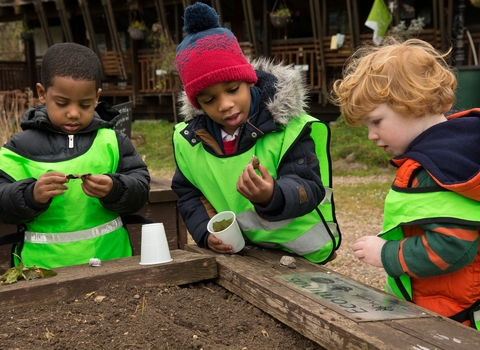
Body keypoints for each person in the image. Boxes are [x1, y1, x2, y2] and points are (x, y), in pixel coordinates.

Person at [171, 2, 340, 264]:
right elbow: (189, 194)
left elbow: (309, 188)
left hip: (303, 254)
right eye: (208, 100)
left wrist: (272, 195)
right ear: (197, 104)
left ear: (249, 79)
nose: (224, 105)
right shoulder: (190, 142)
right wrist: (205, 234)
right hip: (246, 255)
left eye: (232, 89)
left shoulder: (288, 128)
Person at [330, 36, 480, 330]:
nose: (371, 135)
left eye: (376, 122)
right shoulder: (462, 146)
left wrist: (386, 253)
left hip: (455, 317)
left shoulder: (436, 167)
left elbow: (453, 246)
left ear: (411, 103)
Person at [0, 42, 150, 269]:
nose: (73, 113)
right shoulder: (18, 149)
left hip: (114, 263)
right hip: (40, 272)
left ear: (97, 97)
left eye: (85, 104)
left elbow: (141, 188)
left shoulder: (112, 141)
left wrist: (115, 188)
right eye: (62, 103)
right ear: (42, 93)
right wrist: (31, 195)